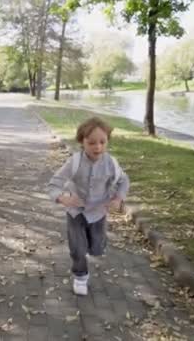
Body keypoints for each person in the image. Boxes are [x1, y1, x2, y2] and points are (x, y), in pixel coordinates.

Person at [47, 117, 129, 296]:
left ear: (107, 141)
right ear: (82, 142)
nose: (97, 147)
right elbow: (54, 184)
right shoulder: (74, 162)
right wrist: (62, 198)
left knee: (97, 248)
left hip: (99, 213)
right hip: (76, 212)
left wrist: (118, 198)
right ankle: (80, 277)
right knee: (78, 248)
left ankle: (96, 245)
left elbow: (124, 180)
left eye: (102, 142)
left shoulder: (111, 163)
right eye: (91, 143)